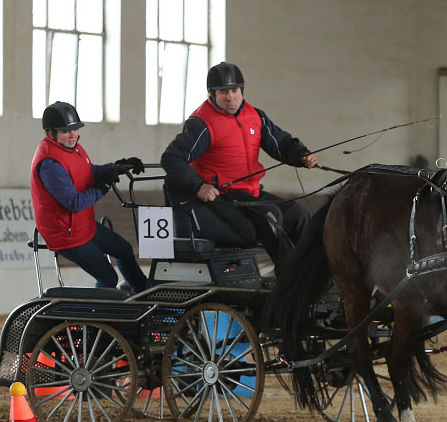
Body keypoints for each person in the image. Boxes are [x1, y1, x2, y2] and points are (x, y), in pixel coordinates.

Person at [160, 61, 319, 268]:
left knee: (299, 214)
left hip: (251, 192)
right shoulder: (201, 124)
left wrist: (301, 155)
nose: (230, 97)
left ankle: (311, 272)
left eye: (234, 90)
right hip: (223, 195)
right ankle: (289, 283)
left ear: (241, 91)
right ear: (212, 95)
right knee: (270, 215)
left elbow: (280, 143)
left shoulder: (255, 117)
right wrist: (198, 186)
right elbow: (171, 158)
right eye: (223, 92)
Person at [30, 101, 148, 293]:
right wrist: (104, 186)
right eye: (65, 131)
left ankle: (143, 292)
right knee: (108, 277)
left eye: (75, 129)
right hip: (66, 235)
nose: (73, 135)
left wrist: (115, 166)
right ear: (50, 133)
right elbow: (74, 203)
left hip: (83, 225)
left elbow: (87, 172)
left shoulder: (73, 147)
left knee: (124, 250)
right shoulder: (50, 163)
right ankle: (97, 317)